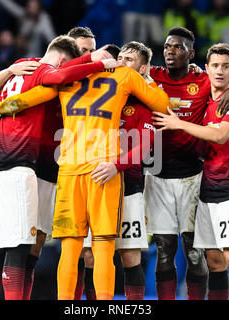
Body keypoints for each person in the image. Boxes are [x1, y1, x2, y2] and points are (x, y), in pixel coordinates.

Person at [0, 45, 171, 300]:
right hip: (104, 171)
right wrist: (145, 77)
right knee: (103, 248)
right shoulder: (125, 75)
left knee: (69, 249)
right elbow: (162, 104)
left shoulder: (68, 78)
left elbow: (26, 99)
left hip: (68, 171)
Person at [0, 35, 118, 300]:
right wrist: (95, 61)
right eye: (83, 51)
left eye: (90, 50)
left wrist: (6, 91)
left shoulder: (34, 66)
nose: (87, 54)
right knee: (20, 243)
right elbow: (49, 80)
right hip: (24, 165)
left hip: (35, 167)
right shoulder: (44, 70)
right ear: (67, 56)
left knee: (15, 243)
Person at [145, 27, 229, 300]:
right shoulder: (198, 94)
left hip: (228, 187)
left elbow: (221, 135)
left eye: (226, 67)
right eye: (215, 66)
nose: (220, 71)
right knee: (213, 259)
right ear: (207, 69)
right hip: (204, 187)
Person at [79, 41, 156, 300]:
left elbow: (144, 148)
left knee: (130, 255)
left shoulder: (145, 100)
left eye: (130, 60)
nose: (122, 62)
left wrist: (117, 166)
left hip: (129, 184)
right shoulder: (100, 92)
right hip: (96, 182)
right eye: (120, 57)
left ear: (143, 68)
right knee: (91, 254)